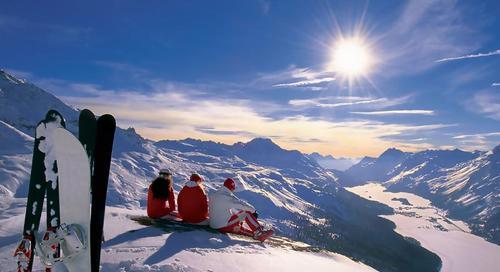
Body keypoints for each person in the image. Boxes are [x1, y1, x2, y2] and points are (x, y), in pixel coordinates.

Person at [209, 178, 273, 242]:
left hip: (214, 225)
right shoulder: (227, 197)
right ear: (231, 187)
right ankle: (259, 232)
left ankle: (256, 235)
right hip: (223, 225)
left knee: (238, 227)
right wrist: (253, 211)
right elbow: (241, 205)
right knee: (246, 213)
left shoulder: (214, 195)